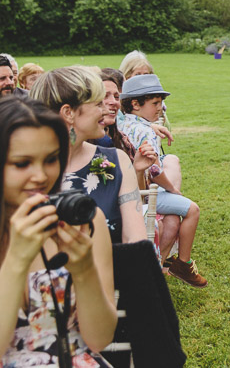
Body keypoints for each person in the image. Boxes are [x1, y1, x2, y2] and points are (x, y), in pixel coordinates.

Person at [0, 95, 117, 366]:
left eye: (51, 159)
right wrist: (16, 260)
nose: (41, 176)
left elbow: (100, 339)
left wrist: (85, 269)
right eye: (22, 163)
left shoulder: (82, 221)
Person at [29, 66, 148, 245]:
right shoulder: (24, 172)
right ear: (69, 113)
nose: (105, 110)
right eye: (98, 104)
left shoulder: (117, 161)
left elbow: (135, 240)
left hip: (113, 270)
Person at [119, 74, 207, 288]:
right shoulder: (145, 131)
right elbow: (155, 170)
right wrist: (173, 190)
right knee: (192, 209)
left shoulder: (122, 122)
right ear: (135, 104)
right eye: (155, 103)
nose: (160, 108)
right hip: (143, 192)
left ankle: (161, 265)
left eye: (161, 103)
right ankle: (182, 264)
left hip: (129, 188)